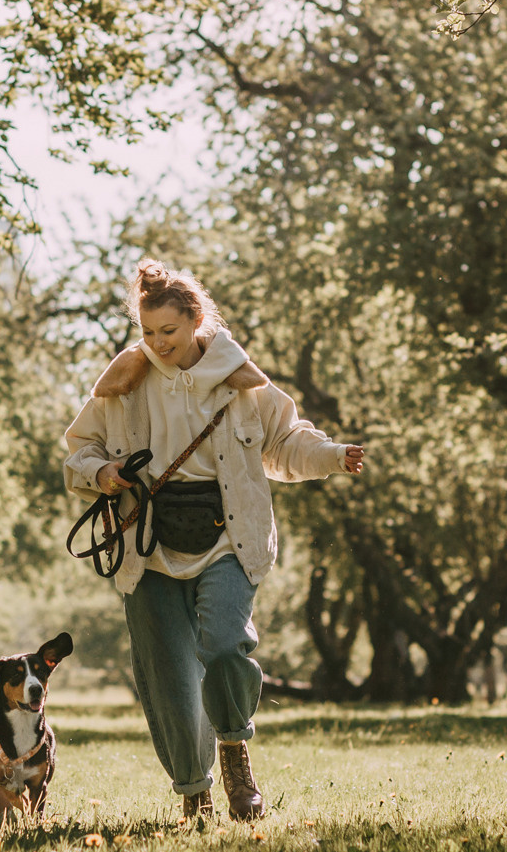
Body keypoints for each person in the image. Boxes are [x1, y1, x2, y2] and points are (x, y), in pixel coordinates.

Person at [63, 260, 365, 819]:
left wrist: (331, 456)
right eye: (148, 332)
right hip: (148, 546)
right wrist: (103, 475)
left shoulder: (241, 381)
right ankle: (193, 795)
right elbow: (78, 454)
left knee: (226, 646)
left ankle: (234, 753)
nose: (157, 343)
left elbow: (285, 442)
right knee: (170, 679)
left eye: (168, 332)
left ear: (196, 320)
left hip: (229, 538)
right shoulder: (122, 386)